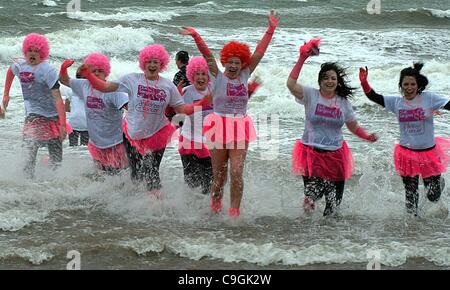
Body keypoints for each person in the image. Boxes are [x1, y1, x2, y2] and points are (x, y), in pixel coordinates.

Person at [180, 10, 279, 217]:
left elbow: (259, 53)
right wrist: (196, 36)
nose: (234, 65)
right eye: (230, 62)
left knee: (236, 172)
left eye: (237, 62)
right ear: (224, 62)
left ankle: (234, 212)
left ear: (241, 63)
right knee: (219, 176)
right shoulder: (216, 76)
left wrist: (270, 29)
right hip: (217, 126)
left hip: (239, 126)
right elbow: (207, 55)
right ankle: (215, 209)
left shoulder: (245, 74)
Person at [75, 44, 209, 195]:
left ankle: (157, 206)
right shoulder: (131, 79)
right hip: (132, 134)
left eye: (156, 62)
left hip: (156, 134)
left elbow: (181, 110)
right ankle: (137, 205)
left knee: (151, 171)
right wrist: (89, 75)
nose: (152, 65)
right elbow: (105, 87)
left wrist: (202, 104)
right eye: (149, 61)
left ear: (161, 65)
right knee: (136, 174)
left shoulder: (168, 87)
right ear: (143, 63)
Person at [286, 39, 378, 216]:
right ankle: (308, 228)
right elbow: (290, 84)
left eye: (333, 78)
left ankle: (330, 239)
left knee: (334, 203)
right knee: (313, 195)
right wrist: (301, 59)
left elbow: (353, 126)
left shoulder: (343, 102)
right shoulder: (310, 95)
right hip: (311, 153)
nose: (329, 81)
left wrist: (367, 136)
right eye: (326, 78)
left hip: (336, 155)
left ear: (338, 82)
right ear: (320, 81)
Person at [359, 63, 450, 216]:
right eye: (405, 84)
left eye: (412, 84)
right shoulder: (396, 102)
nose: (409, 87)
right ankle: (413, 226)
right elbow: (374, 97)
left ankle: (439, 185)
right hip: (407, 154)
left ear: (417, 85)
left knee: (433, 196)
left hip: (429, 153)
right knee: (410, 193)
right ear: (400, 85)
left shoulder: (429, 98)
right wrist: (364, 83)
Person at [1, 33, 66, 179]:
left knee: (56, 160)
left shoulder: (47, 71)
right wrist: (6, 94)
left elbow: (58, 99)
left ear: (42, 53)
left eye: (36, 51)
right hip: (33, 114)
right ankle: (27, 184)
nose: (33, 54)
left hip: (52, 116)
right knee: (29, 150)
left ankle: (54, 186)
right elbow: (11, 71)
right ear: (25, 51)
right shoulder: (20, 65)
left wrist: (62, 124)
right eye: (30, 50)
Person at [59, 53, 129, 174]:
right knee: (101, 176)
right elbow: (64, 80)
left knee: (118, 175)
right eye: (93, 71)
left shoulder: (112, 90)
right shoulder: (84, 85)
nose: (96, 73)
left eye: (100, 71)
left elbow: (130, 108)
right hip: (96, 144)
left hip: (115, 144)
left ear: (106, 72)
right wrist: (63, 68)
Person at [178, 56, 214, 195]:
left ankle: (206, 212)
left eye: (203, 73)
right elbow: (178, 112)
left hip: (209, 143)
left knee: (209, 183)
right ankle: (190, 210)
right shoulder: (187, 92)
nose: (200, 77)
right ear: (191, 76)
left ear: (208, 75)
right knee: (192, 182)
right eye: (197, 74)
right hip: (189, 141)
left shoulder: (214, 90)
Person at [64, 68, 89, 146]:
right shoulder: (91, 91)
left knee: (72, 147)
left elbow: (66, 108)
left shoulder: (70, 90)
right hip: (86, 123)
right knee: (84, 148)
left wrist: (74, 111)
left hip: (73, 123)